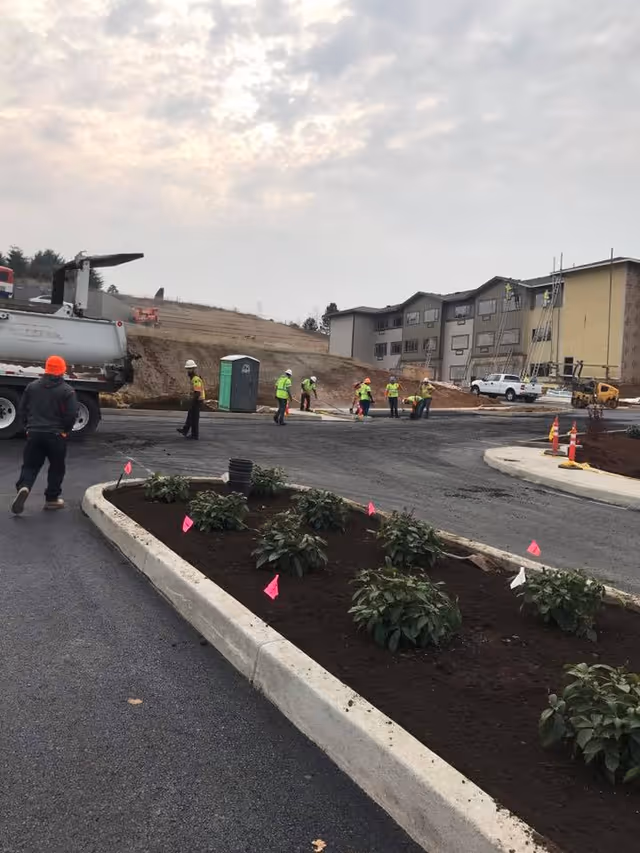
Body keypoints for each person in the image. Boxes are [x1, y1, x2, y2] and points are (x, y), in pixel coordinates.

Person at [11, 355, 78, 514]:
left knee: (30, 465)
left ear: (46, 368)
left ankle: (24, 486)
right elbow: (71, 415)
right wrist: (65, 431)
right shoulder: (67, 391)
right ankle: (52, 500)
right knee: (56, 468)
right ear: (63, 370)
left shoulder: (32, 387)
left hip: (34, 433)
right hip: (55, 435)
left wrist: (28, 427)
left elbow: (22, 409)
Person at [177, 359, 205, 440]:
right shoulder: (194, 378)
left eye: (189, 369)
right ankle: (186, 430)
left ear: (193, 369)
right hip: (196, 400)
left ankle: (194, 435)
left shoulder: (195, 379)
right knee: (191, 416)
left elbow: (197, 392)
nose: (188, 371)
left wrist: (192, 402)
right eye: (187, 369)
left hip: (197, 400)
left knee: (194, 418)